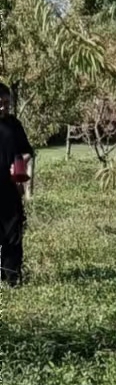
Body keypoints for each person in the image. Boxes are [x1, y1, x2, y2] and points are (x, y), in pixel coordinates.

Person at [0, 83, 34, 287]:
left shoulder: (14, 125)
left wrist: (20, 165)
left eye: (6, 103)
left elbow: (27, 151)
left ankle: (11, 278)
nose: (3, 107)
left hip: (10, 189)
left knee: (13, 236)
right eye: (0, 103)